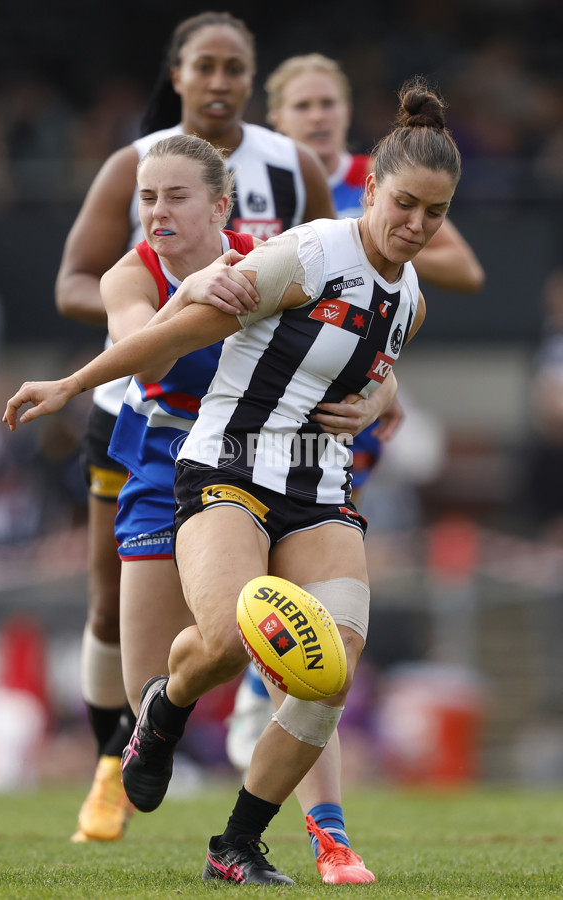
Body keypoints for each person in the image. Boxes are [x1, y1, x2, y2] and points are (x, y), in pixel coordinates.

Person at [5, 75, 462, 884]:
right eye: (405, 205)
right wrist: (71, 387)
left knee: (329, 668)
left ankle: (238, 845)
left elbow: (371, 366)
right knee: (223, 643)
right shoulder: (310, 253)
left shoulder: (412, 296)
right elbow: (178, 332)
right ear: (370, 188)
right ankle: (162, 714)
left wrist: (380, 398)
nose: (418, 226)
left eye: (436, 212)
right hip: (228, 470)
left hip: (320, 492)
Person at [54, 11, 335, 844]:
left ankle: (309, 831)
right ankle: (119, 757)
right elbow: (92, 291)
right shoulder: (131, 182)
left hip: (255, 444)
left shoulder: (288, 175)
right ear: (176, 75)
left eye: (233, 68)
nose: (218, 82)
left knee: (300, 644)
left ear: (252, 78)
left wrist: (375, 391)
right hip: (142, 427)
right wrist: (163, 311)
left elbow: (353, 290)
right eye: (202, 67)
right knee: (113, 621)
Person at [225, 52, 486, 776]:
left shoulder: (373, 193)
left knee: (324, 612)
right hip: (238, 413)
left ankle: (299, 793)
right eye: (302, 106)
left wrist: (386, 390)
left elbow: (455, 276)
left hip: (323, 437)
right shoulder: (251, 190)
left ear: (346, 118)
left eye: (328, 104)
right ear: (275, 120)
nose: (317, 116)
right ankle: (186, 718)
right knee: (218, 618)